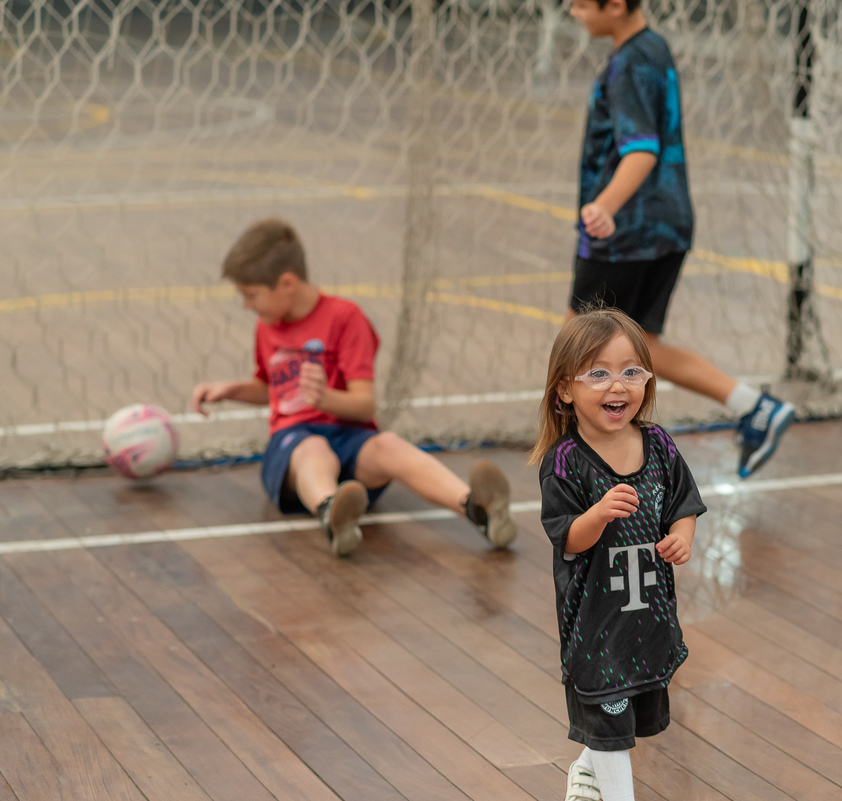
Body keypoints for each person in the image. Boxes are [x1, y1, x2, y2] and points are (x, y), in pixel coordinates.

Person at [191, 217, 517, 557]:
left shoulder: (345, 318)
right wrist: (231, 391)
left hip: (349, 439)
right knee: (314, 449)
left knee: (389, 444)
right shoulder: (267, 326)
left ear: (287, 283)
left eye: (251, 295)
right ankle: (331, 511)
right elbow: (269, 389)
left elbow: (364, 406)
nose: (247, 305)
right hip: (294, 447)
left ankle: (477, 510)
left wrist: (324, 398)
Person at [566, 0, 795, 479]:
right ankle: (752, 406)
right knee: (641, 345)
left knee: (578, 346)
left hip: (627, 232)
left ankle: (584, 466)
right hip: (668, 223)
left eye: (583, 3)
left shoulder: (629, 63)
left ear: (616, 5)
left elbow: (642, 150)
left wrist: (604, 206)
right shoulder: (655, 47)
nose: (573, 11)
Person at [532, 308, 706, 801]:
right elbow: (567, 539)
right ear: (565, 389)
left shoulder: (658, 445)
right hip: (597, 627)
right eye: (598, 373)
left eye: (632, 371)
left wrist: (682, 537)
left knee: (626, 717)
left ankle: (586, 770)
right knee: (608, 713)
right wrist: (598, 514)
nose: (618, 385)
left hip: (648, 619)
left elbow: (683, 506)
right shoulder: (565, 462)